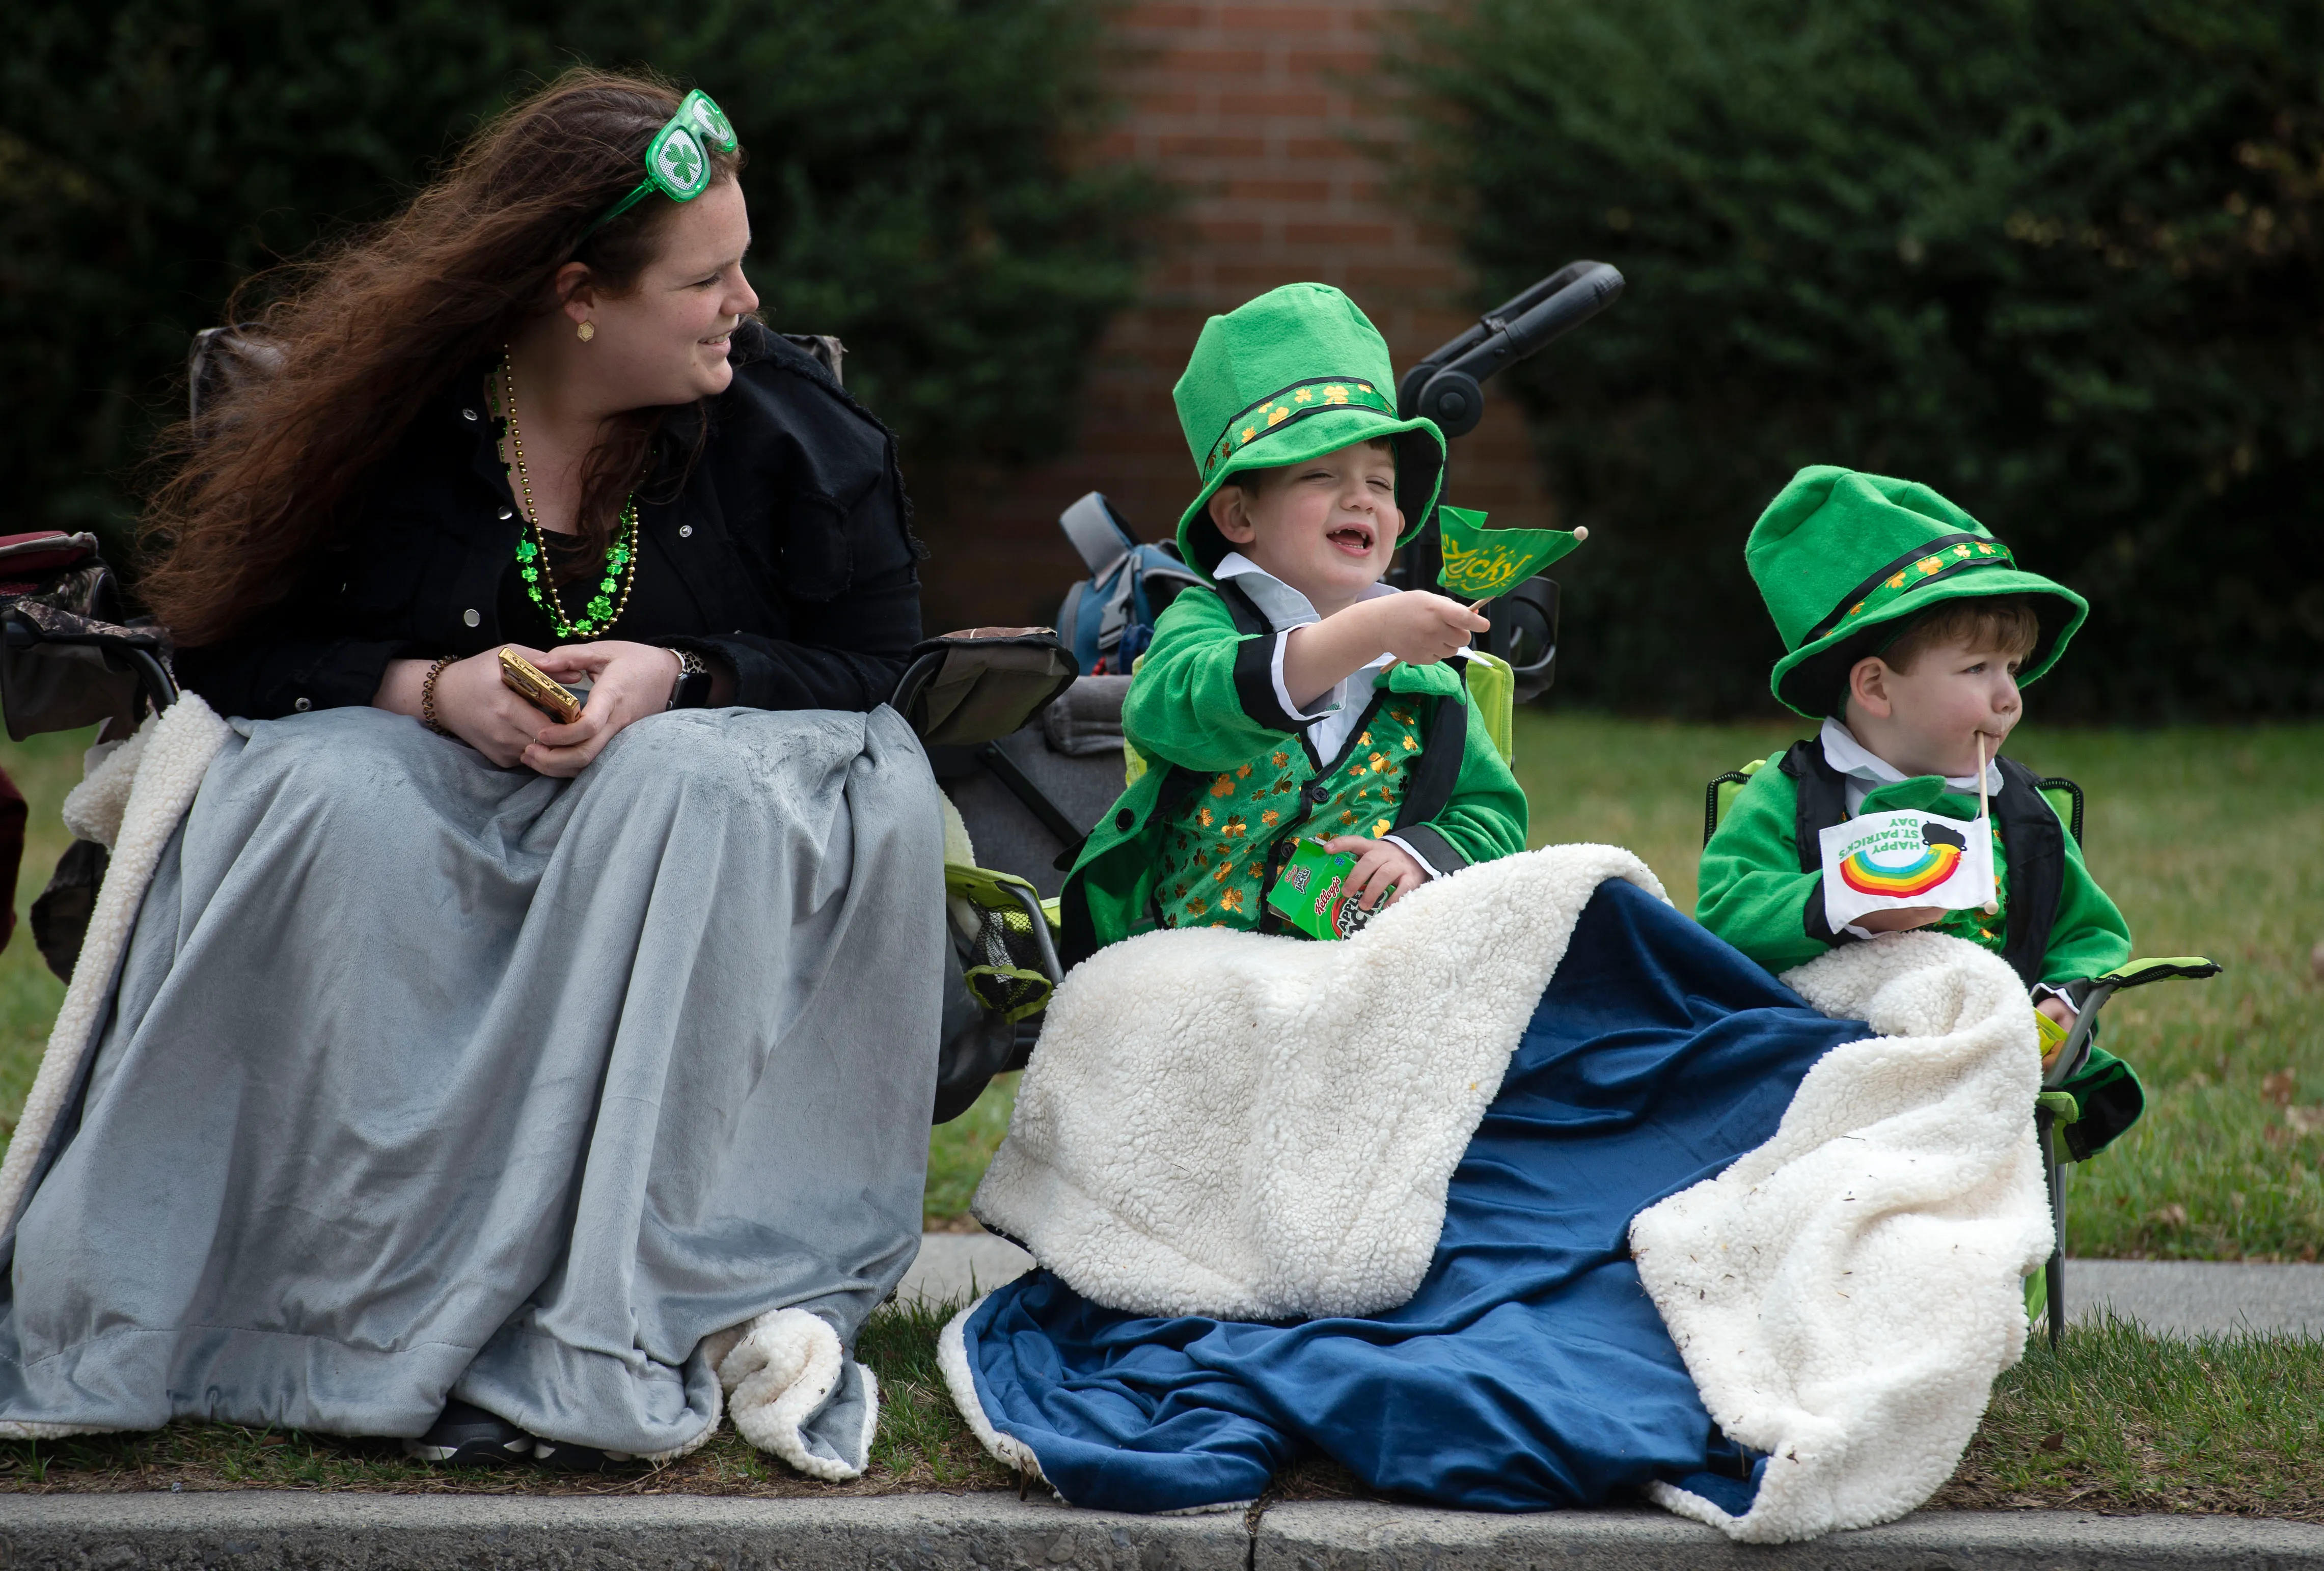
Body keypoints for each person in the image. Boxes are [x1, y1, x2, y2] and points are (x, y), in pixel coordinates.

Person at [0, 71, 945, 1477]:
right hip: (433, 809)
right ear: (578, 293)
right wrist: (426, 689)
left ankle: (600, 1312)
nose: (747, 302)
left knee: (686, 782)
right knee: (328, 790)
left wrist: (678, 678)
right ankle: (335, 1307)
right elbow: (225, 652)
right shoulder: (383, 427)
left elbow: (884, 669)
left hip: (685, 832)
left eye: (743, 265)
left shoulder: (789, 433)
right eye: (709, 275)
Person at [1057, 283, 1526, 963]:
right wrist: (1366, 635)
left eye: (1380, 482)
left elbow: (1492, 814)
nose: (1360, 497)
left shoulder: (1424, 668)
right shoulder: (1204, 619)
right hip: (1196, 964)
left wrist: (1416, 854)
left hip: (1362, 966)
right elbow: (1170, 714)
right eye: (1321, 474)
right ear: (1239, 517)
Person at [1697, 465, 2140, 1156]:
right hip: (1817, 1079)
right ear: (1875, 686)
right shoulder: (1793, 796)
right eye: (1976, 671)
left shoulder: (2020, 813)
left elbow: (2088, 934)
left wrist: (2061, 999)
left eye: (2012, 669)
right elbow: (1725, 916)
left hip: (1978, 1084)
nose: (2008, 698)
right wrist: (1842, 903)